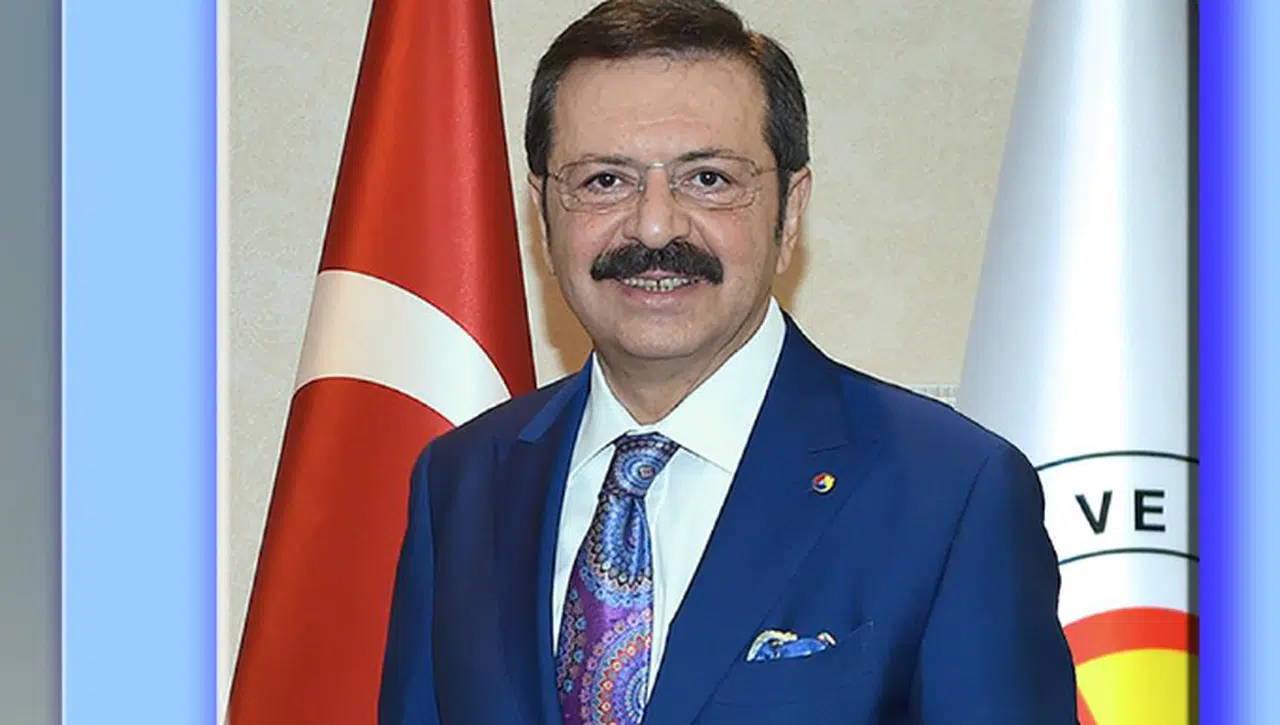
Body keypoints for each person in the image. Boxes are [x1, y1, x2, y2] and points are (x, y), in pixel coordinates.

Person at [379, 0, 1077, 722]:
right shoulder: (460, 483)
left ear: (789, 212)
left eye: (708, 179)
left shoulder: (952, 492)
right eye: (604, 180)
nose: (655, 226)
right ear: (543, 213)